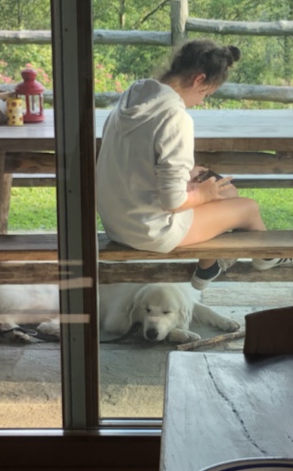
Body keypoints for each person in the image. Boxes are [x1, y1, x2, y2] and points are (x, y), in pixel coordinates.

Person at [96, 41, 282, 290]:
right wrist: (204, 194)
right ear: (198, 79)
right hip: (148, 229)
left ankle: (210, 266)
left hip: (117, 220)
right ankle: (268, 257)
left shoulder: (133, 98)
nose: (203, 101)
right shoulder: (175, 117)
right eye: (206, 93)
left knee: (228, 192)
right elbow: (172, 203)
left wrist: (191, 177)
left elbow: (132, 160)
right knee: (248, 208)